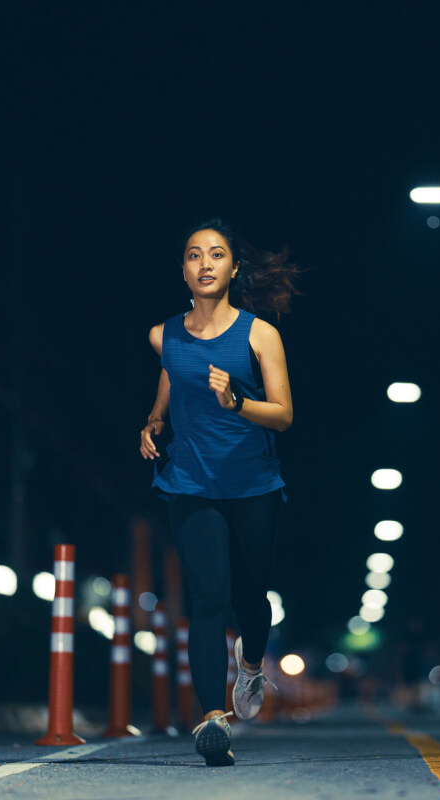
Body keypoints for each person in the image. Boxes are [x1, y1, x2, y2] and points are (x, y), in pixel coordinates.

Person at [139, 218, 299, 766]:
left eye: (216, 255)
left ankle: (249, 663)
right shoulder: (165, 334)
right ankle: (212, 719)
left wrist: (237, 403)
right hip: (190, 481)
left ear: (233, 268)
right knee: (207, 596)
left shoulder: (259, 335)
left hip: (253, 483)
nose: (204, 264)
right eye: (193, 255)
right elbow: (172, 377)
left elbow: (283, 415)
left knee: (250, 599)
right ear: (183, 270)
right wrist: (155, 421)